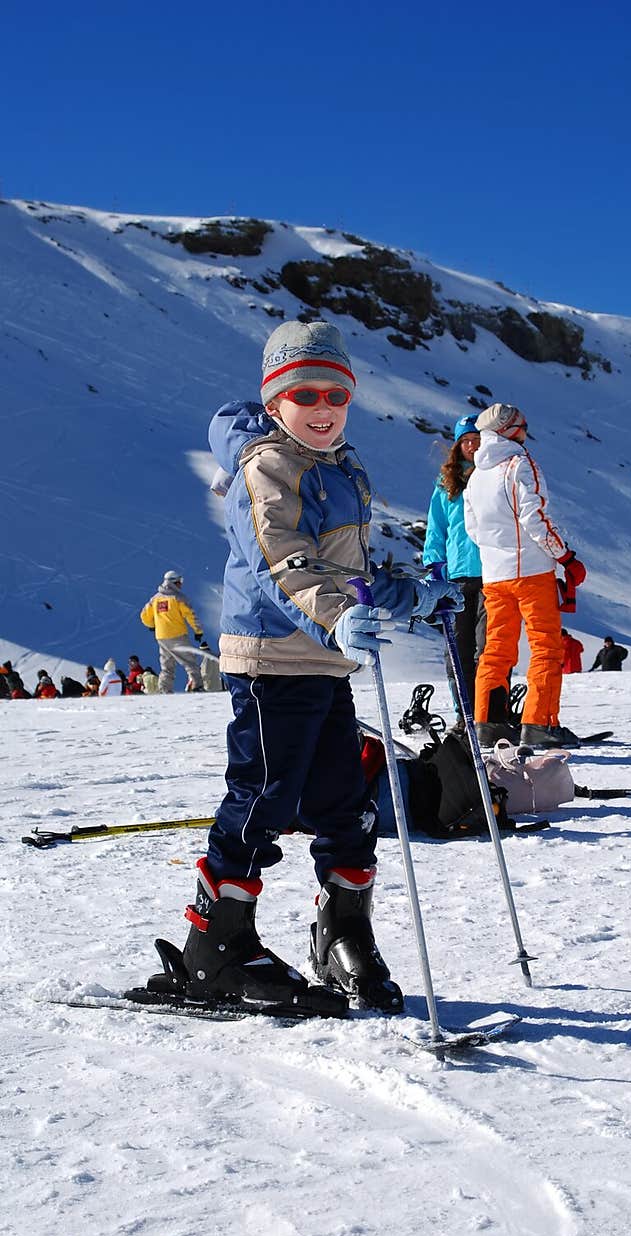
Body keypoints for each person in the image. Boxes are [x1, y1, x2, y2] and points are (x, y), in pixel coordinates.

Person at [138, 319, 462, 1018]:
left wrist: (411, 596)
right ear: (275, 401)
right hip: (271, 661)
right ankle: (215, 946)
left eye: (336, 395)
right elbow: (280, 557)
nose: (322, 407)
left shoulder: (345, 470)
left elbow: (354, 576)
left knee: (349, 803)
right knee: (263, 799)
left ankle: (343, 933)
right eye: (304, 393)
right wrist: (335, 614)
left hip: (325, 662)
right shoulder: (266, 467)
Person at [463, 403, 586, 749]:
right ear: (509, 431)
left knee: (495, 650)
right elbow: (536, 520)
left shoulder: (475, 477)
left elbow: (473, 530)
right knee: (546, 646)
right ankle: (539, 723)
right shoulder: (519, 465)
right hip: (531, 571)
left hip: (494, 576)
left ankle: (489, 723)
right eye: (522, 427)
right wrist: (566, 557)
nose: (525, 434)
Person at [421, 414, 486, 732]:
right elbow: (436, 528)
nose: (472, 446)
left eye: (476, 440)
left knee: (488, 648)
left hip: (493, 574)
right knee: (458, 650)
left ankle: (489, 714)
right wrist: (434, 568)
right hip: (457, 577)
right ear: (458, 446)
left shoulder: (492, 474)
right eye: (466, 441)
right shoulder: (446, 481)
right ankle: (466, 716)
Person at [140, 571, 205, 693]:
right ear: (174, 583)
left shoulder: (155, 599)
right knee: (189, 662)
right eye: (179, 582)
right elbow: (191, 615)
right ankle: (197, 685)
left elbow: (144, 615)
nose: (181, 585)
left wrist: (152, 625)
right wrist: (198, 631)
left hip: (162, 637)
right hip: (177, 635)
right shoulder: (178, 598)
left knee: (166, 665)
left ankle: (164, 689)